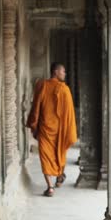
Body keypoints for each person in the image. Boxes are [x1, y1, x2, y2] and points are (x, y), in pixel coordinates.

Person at [27, 62, 77, 197]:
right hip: (55, 130)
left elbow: (36, 107)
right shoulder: (60, 89)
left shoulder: (44, 86)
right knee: (52, 156)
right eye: (63, 71)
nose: (65, 74)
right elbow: (69, 114)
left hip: (48, 129)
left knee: (50, 156)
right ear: (56, 72)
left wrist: (33, 122)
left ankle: (58, 177)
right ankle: (50, 187)